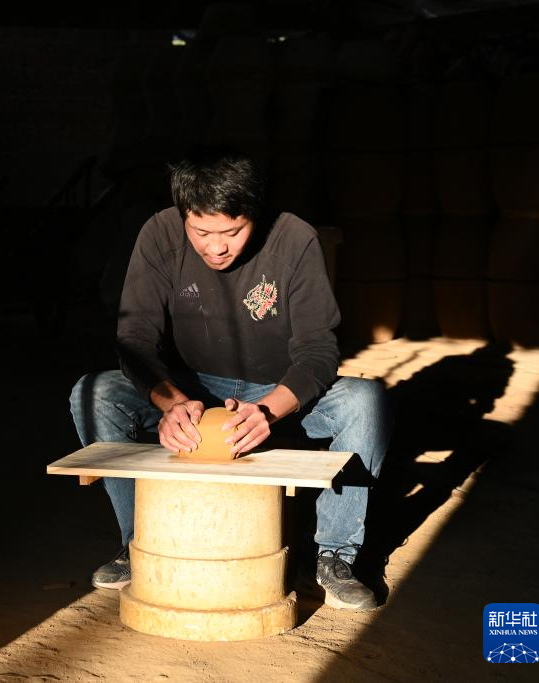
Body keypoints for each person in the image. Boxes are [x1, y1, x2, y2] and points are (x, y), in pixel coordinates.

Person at [69, 147, 391, 610]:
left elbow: (318, 350)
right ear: (183, 214)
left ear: (254, 215)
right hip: (190, 389)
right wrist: (171, 402)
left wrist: (268, 410)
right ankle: (140, 540)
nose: (216, 247)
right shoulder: (158, 234)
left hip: (276, 391)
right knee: (95, 393)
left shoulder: (294, 238)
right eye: (201, 232)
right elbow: (134, 339)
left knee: (365, 400)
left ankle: (332, 554)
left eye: (232, 232)